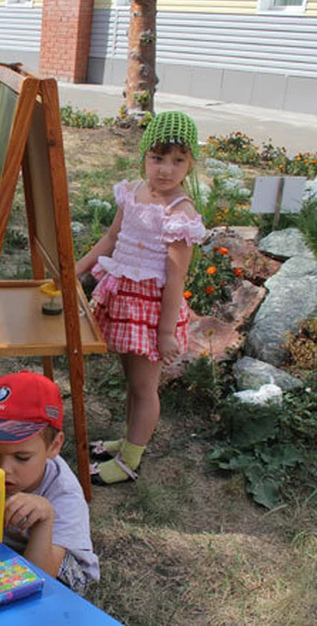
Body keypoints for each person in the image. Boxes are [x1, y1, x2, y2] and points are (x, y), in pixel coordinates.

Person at [75, 111, 206, 485]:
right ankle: (127, 439)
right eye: (158, 158)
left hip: (152, 311)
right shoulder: (132, 191)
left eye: (178, 160)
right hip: (125, 300)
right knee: (131, 380)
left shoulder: (179, 213)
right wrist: (76, 268)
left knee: (145, 387)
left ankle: (130, 461)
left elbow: (175, 279)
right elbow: (111, 238)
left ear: (190, 163)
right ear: (144, 156)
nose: (166, 169)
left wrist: (166, 333)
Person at [0, 372, 100, 595]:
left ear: (54, 446)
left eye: (22, 457)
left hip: (54, 566)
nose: (4, 469)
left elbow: (40, 575)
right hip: (3, 553)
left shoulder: (64, 493)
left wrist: (46, 518)